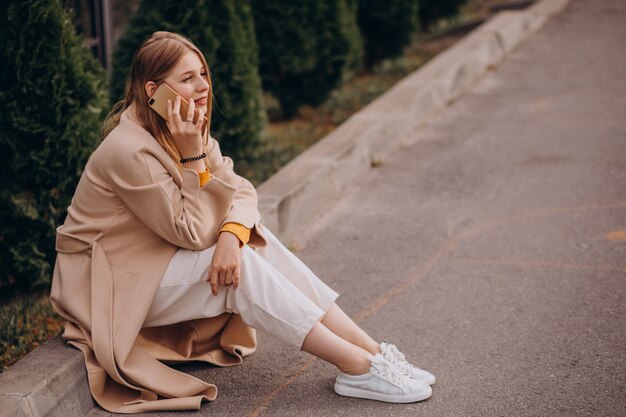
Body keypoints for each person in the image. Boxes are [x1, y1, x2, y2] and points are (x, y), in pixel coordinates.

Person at [50, 31, 435, 413]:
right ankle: (356, 367)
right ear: (154, 91)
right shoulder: (127, 150)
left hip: (147, 261)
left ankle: (371, 351)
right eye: (187, 79)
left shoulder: (181, 125)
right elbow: (192, 232)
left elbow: (242, 191)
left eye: (202, 73)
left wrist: (232, 237)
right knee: (243, 270)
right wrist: (193, 159)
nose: (203, 86)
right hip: (106, 285)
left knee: (251, 239)